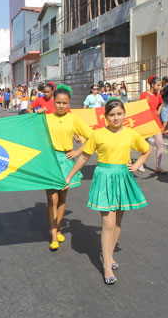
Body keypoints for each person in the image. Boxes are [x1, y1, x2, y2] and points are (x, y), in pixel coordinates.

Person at [65, 99, 152, 285]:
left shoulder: (130, 134)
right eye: (112, 114)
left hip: (122, 177)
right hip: (104, 178)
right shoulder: (98, 135)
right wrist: (70, 176)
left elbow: (146, 149)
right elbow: (84, 157)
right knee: (108, 223)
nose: (116, 117)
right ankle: (106, 266)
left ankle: (109, 256)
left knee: (118, 221)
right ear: (106, 117)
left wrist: (136, 165)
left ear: (124, 114)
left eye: (119, 113)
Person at [35, 85, 93, 251]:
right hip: (50, 160)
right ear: (54, 101)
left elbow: (92, 137)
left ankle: (58, 229)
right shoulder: (46, 117)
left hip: (66, 162)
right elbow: (32, 131)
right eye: (58, 102)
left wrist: (77, 152)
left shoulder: (73, 119)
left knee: (62, 198)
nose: (61, 106)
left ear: (69, 103)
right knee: (51, 199)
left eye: (64, 103)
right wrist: (36, 115)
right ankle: (53, 235)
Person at [140, 76, 165, 173]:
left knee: (160, 143)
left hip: (156, 121)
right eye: (158, 85)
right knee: (144, 143)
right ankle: (141, 164)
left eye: (160, 85)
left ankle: (158, 166)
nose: (160, 87)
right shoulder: (144, 94)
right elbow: (140, 107)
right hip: (146, 120)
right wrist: (144, 102)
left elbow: (161, 104)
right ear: (152, 85)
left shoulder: (158, 95)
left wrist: (158, 111)